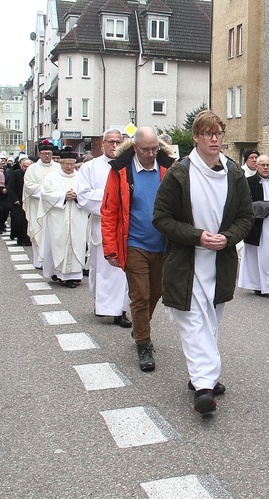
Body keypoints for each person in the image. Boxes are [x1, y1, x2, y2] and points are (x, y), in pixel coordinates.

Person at [153, 111, 254, 414]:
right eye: (208, 133)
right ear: (195, 137)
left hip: (220, 262)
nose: (214, 139)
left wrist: (228, 237)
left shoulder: (234, 174)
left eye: (219, 134)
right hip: (187, 263)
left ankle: (202, 375)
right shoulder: (179, 173)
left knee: (210, 322)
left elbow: (246, 217)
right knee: (194, 323)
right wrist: (197, 236)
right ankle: (204, 389)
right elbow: (161, 218)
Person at [102, 127, 174, 372]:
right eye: (146, 150)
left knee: (156, 292)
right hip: (134, 243)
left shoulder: (169, 168)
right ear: (135, 148)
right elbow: (109, 210)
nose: (151, 154)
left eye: (154, 149)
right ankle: (144, 344)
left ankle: (139, 326)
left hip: (163, 245)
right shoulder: (120, 171)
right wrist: (110, 248)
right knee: (140, 295)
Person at [77, 129, 132, 328]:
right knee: (100, 267)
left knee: (121, 270)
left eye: (118, 142)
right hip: (101, 224)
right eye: (111, 142)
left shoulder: (128, 166)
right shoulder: (90, 167)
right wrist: (111, 198)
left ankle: (121, 310)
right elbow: (83, 196)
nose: (115, 146)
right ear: (103, 144)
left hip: (125, 225)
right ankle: (101, 302)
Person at [238, 154, 269, 301]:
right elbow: (243, 203)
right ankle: (258, 285)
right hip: (257, 224)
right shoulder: (249, 182)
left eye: (268, 165)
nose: (266, 167)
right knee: (257, 256)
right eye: (262, 165)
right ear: (257, 166)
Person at [38, 151, 90, 288]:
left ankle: (74, 275)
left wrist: (77, 196)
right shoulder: (52, 177)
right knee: (58, 243)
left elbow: (88, 193)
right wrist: (63, 196)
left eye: (72, 164)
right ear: (61, 163)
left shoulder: (81, 177)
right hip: (58, 218)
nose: (69, 167)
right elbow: (46, 194)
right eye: (66, 164)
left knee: (77, 243)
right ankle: (59, 273)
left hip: (78, 217)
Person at [23, 143, 59, 269]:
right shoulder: (32, 169)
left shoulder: (58, 168)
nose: (47, 156)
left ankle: (52, 261)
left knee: (54, 233)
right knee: (38, 230)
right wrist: (46, 192)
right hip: (37, 206)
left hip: (54, 207)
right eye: (44, 153)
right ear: (39, 154)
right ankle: (39, 261)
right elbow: (28, 186)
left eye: (49, 153)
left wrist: (51, 195)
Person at [7, 155, 33, 246]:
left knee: (28, 221)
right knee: (19, 222)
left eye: (28, 166)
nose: (27, 168)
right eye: (25, 166)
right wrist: (15, 200)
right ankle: (20, 239)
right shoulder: (16, 173)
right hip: (18, 202)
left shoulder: (33, 175)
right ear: (21, 166)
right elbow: (10, 188)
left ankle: (28, 239)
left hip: (30, 202)